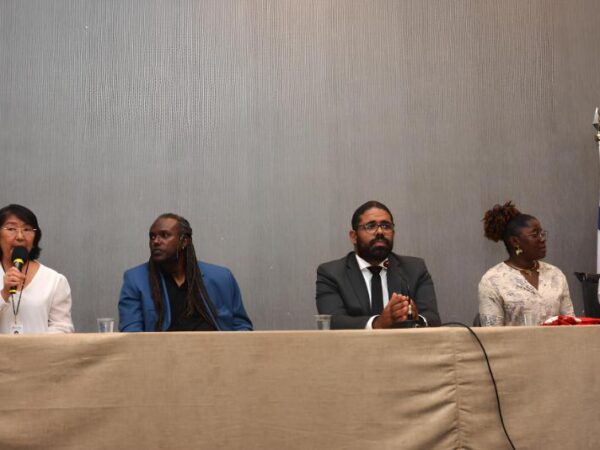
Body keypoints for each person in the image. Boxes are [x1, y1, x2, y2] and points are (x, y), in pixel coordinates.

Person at [316, 201, 441, 329]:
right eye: (370, 226)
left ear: (393, 233)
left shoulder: (414, 269)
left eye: (386, 226)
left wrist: (417, 318)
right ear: (353, 236)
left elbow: (433, 318)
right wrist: (377, 323)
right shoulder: (331, 273)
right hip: (355, 343)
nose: (380, 232)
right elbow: (333, 322)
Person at [118, 213, 253, 331]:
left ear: (184, 241)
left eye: (164, 235)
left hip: (215, 350)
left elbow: (241, 325)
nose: (156, 241)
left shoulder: (222, 277)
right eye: (152, 237)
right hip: (161, 351)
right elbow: (131, 333)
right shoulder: (136, 280)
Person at [479, 201, 574, 326]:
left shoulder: (555, 274)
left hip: (557, 339)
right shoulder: (493, 280)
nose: (542, 239)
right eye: (535, 234)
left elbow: (570, 323)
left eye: (542, 233)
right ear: (515, 241)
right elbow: (492, 333)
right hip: (514, 340)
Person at [0, 204, 74, 334]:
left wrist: (33, 344)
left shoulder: (54, 280)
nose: (20, 236)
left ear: (35, 238)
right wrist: (4, 294)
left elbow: (63, 328)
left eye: (27, 229)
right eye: (11, 229)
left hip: (39, 348)